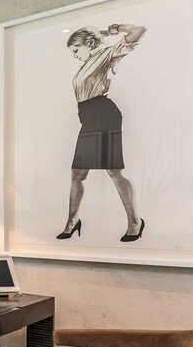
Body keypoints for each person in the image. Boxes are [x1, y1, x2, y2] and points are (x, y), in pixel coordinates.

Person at [57, 23, 146, 242]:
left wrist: (113, 29)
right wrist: (98, 35)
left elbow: (138, 31)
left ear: (88, 43)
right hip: (87, 118)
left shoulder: (107, 54)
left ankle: (135, 222)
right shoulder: (87, 63)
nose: (75, 56)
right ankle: (72, 221)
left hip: (104, 114)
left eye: (76, 50)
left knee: (114, 171)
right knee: (78, 173)